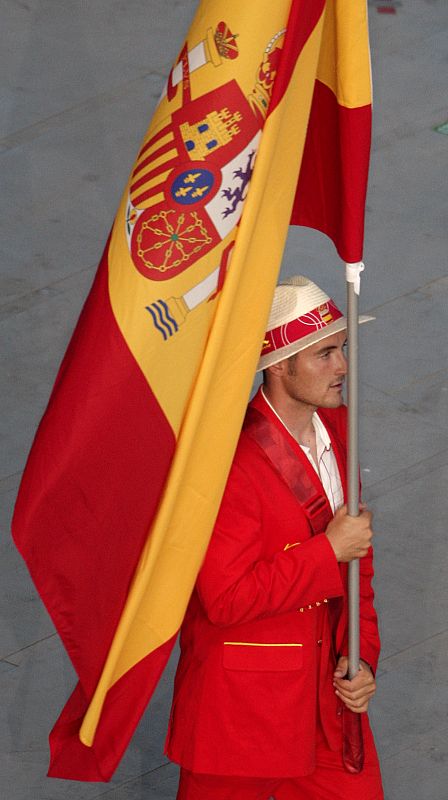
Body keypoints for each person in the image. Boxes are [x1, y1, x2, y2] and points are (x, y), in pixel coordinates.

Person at [165, 275, 383, 800]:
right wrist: (326, 550)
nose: (343, 368)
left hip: (325, 702)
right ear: (279, 366)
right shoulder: (228, 466)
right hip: (240, 712)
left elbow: (359, 566)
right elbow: (225, 598)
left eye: (343, 349)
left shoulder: (339, 429)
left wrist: (363, 656)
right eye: (325, 354)